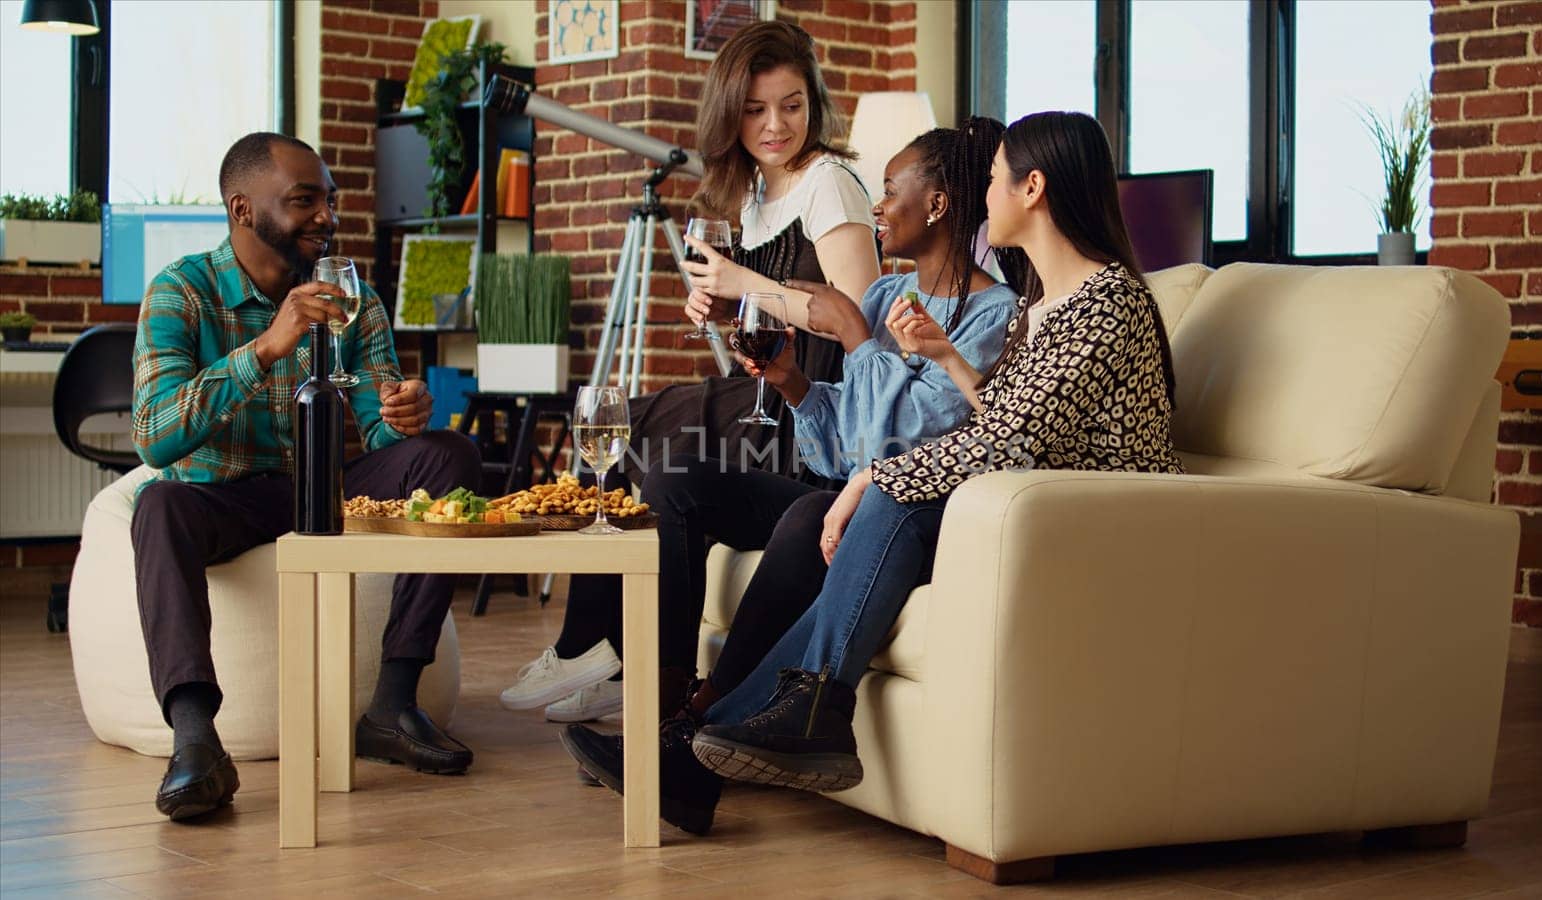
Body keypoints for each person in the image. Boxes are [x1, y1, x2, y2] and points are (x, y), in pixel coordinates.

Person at [565, 111, 1185, 832]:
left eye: (993, 179)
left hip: (1087, 524)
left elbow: (1009, 441)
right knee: (863, 498)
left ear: (1033, 187)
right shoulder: (1042, 309)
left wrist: (869, 476)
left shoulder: (1105, 305)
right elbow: (1003, 428)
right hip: (1016, 506)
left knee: (883, 498)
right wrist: (823, 391)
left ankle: (753, 727)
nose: (986, 195)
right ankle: (734, 736)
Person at [500, 19, 881, 717]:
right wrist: (723, 306)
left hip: (816, 414)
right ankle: (602, 649)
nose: (775, 125)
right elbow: (770, 313)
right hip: (766, 393)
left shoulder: (830, 184)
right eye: (756, 109)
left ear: (814, 104)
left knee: (628, 426)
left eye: (792, 106)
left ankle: (598, 652)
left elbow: (854, 317)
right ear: (729, 111)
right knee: (613, 426)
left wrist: (742, 284)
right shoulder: (755, 192)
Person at [131, 132, 482, 821]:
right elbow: (154, 435)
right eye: (304, 200)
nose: (326, 215)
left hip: (321, 485)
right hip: (220, 494)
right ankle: (196, 743)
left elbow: (380, 431)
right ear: (241, 208)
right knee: (157, 505)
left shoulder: (352, 297)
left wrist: (401, 416)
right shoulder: (181, 292)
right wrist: (266, 347)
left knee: (451, 456)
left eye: (329, 200)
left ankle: (392, 705)